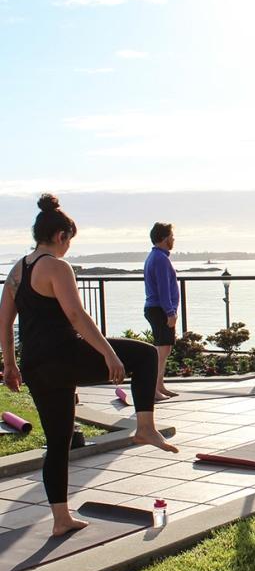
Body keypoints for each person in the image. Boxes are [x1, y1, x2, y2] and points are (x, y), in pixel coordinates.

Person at [0, 194, 177, 537]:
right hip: (65, 355)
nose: (68, 248)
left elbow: (5, 321)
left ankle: (61, 519)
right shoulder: (56, 266)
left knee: (58, 441)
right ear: (62, 236)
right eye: (70, 241)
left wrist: (10, 363)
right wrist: (109, 353)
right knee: (143, 356)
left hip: (36, 366)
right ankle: (144, 427)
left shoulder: (17, 270)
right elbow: (77, 316)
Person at [144, 222, 180, 400]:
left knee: (164, 350)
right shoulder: (160, 259)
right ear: (165, 238)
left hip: (157, 308)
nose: (174, 239)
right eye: (172, 236)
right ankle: (152, 389)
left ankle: (159, 386)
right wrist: (170, 312)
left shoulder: (157, 256)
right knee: (161, 351)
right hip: (160, 309)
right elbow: (163, 289)